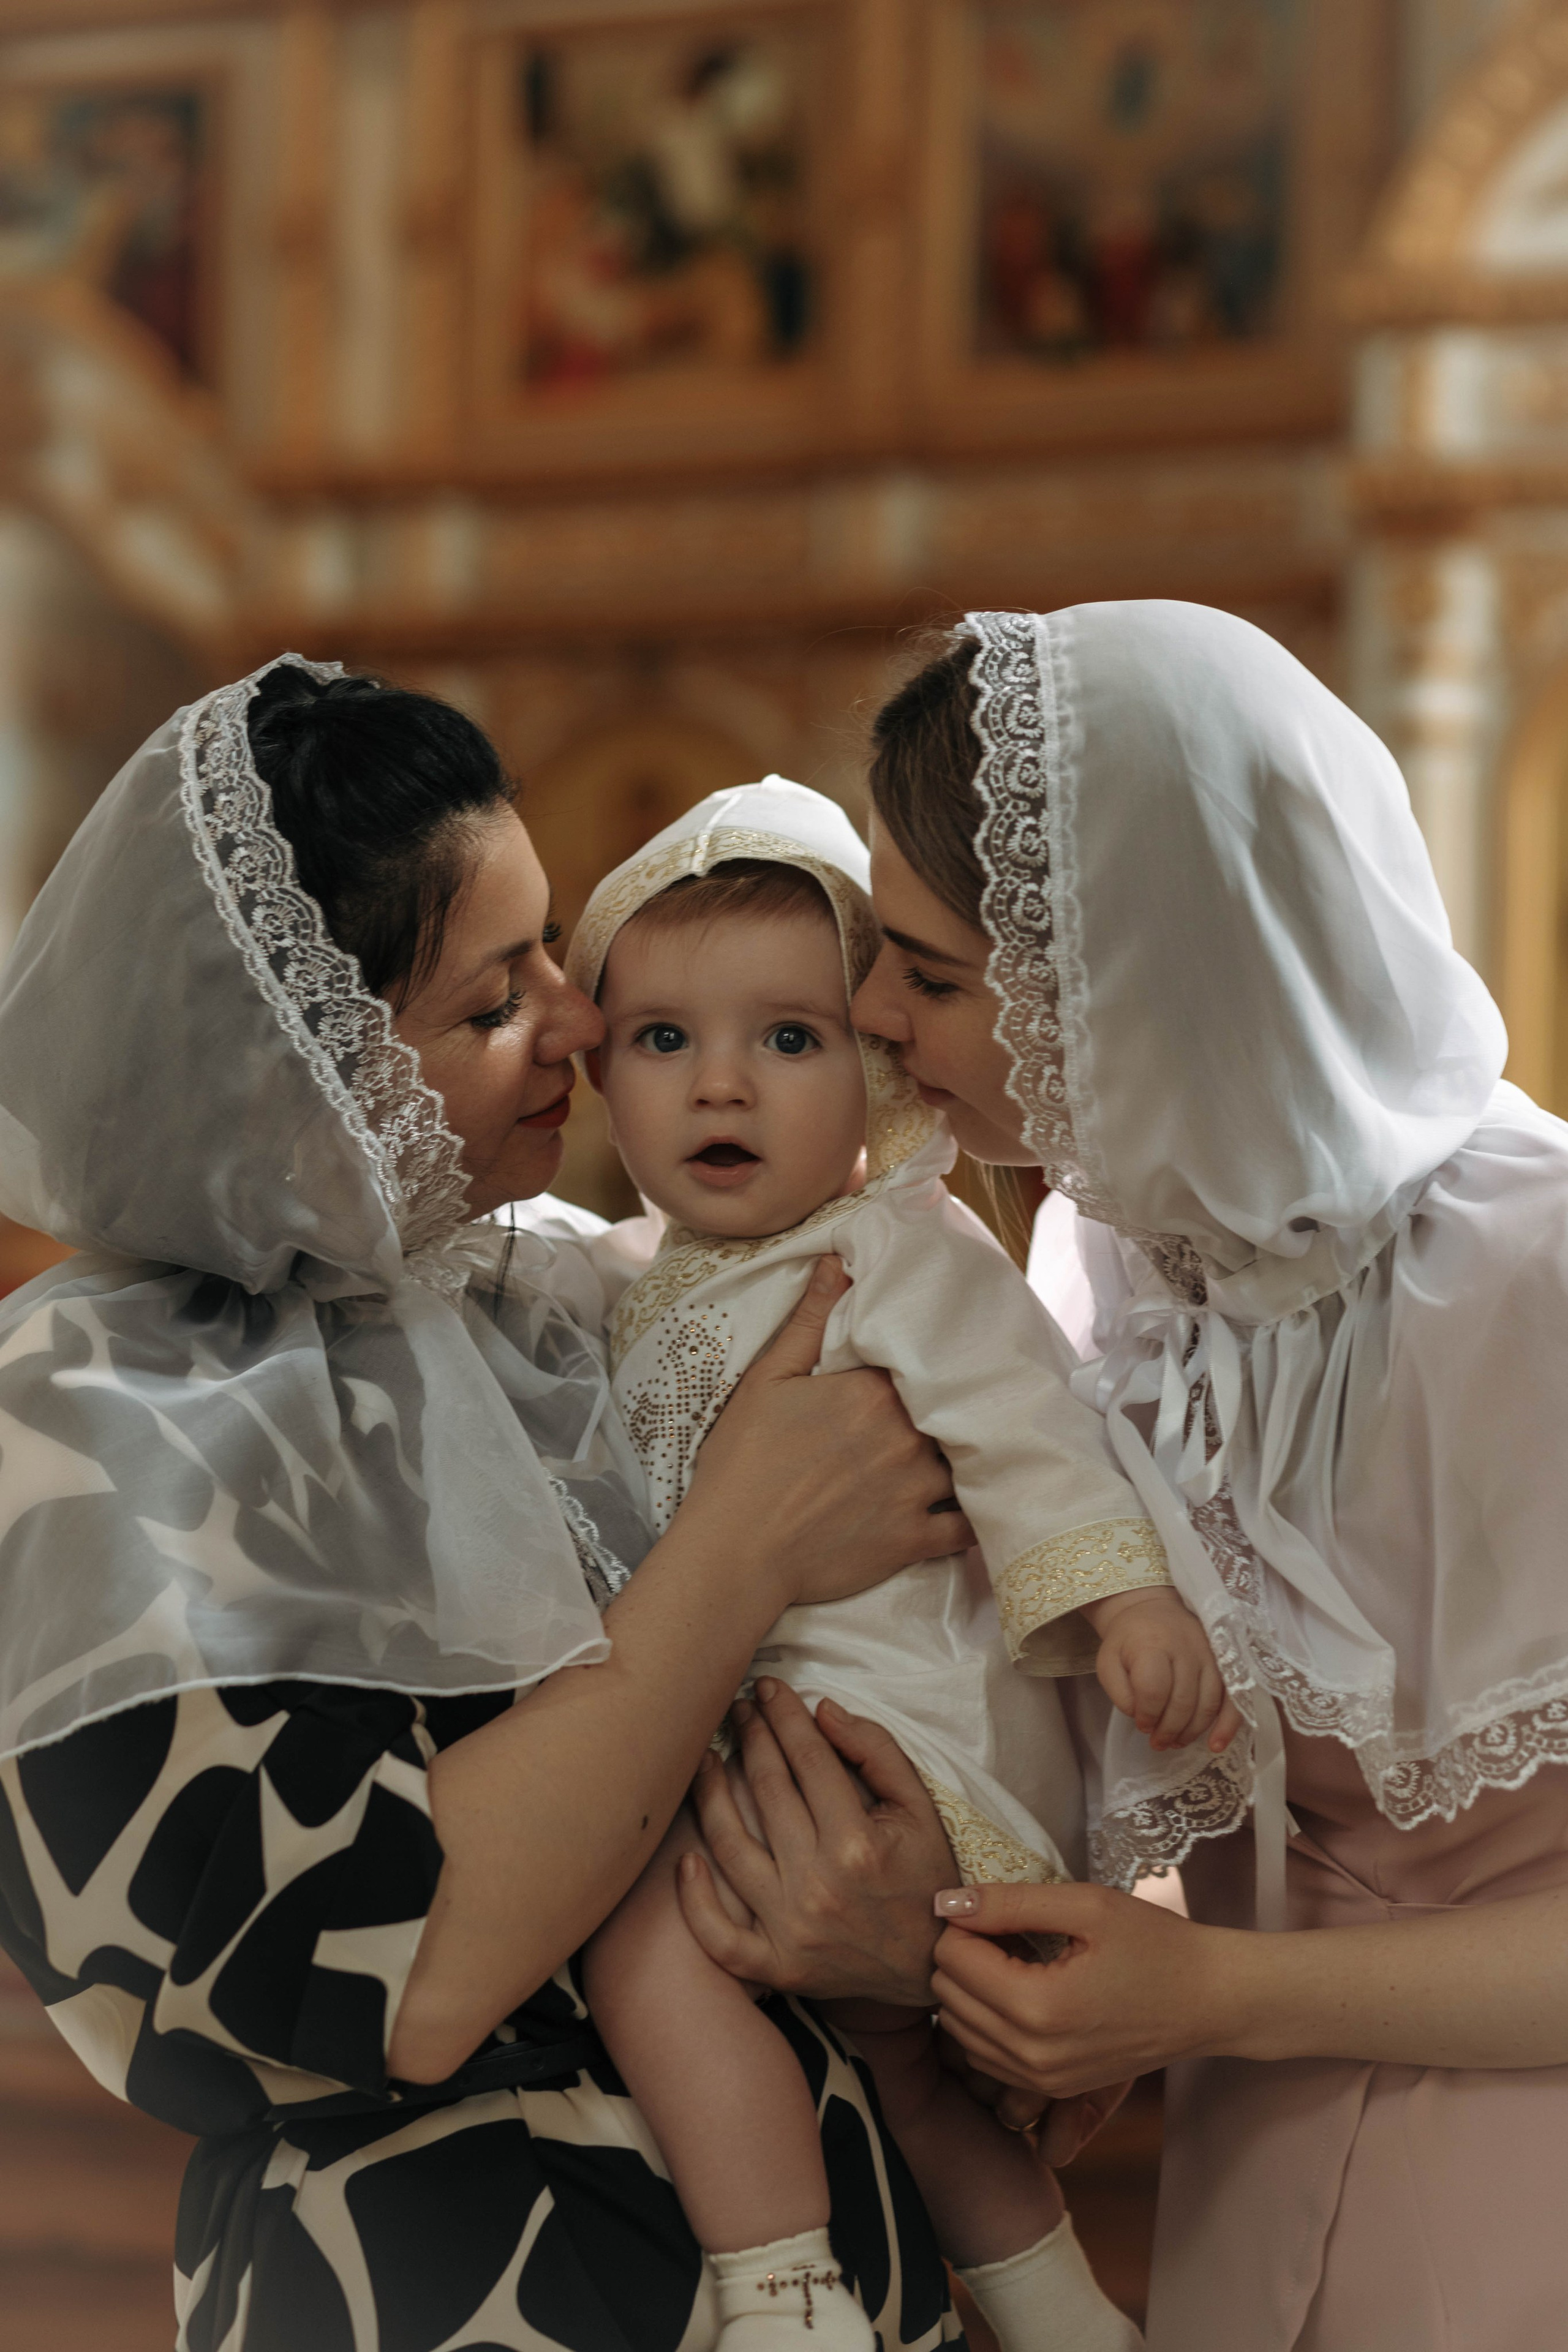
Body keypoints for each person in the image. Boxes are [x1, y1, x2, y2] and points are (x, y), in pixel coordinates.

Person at [0, 655, 986, 2351]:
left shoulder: (557, 1299)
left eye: (553, 950)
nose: (588, 1021)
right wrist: (742, 1543)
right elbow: (411, 1973)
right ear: (290, 1072)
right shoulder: (89, 1425)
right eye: (496, 1000)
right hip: (440, 2290)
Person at [712, 598, 1568, 2352]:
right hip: (1250, 2180)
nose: (872, 1013)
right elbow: (1201, 1774)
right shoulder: (1111, 1258)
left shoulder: (1540, 1281)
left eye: (932, 976)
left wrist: (1221, 1991)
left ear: (1152, 969)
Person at [564, 778, 1234, 2351]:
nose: (719, 1086)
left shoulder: (896, 1251)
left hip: (893, 1742)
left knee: (636, 1926)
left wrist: (1123, 1597)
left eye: (786, 1041)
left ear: (876, 1071)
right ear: (599, 1066)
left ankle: (778, 2277)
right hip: (770, 1739)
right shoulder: (616, 1277)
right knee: (912, 2083)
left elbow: (1023, 1427)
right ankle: (1063, 2307)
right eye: (663, 1041)